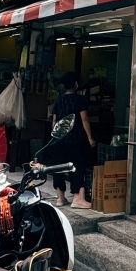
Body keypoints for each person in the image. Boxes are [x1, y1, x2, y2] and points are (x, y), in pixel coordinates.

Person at [50, 72, 96, 209]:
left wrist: (56, 137)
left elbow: (54, 121)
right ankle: (78, 198)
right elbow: (84, 119)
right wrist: (90, 138)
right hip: (76, 139)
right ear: (76, 84)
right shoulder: (80, 99)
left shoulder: (58, 100)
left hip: (59, 140)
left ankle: (60, 198)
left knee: (58, 167)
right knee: (77, 166)